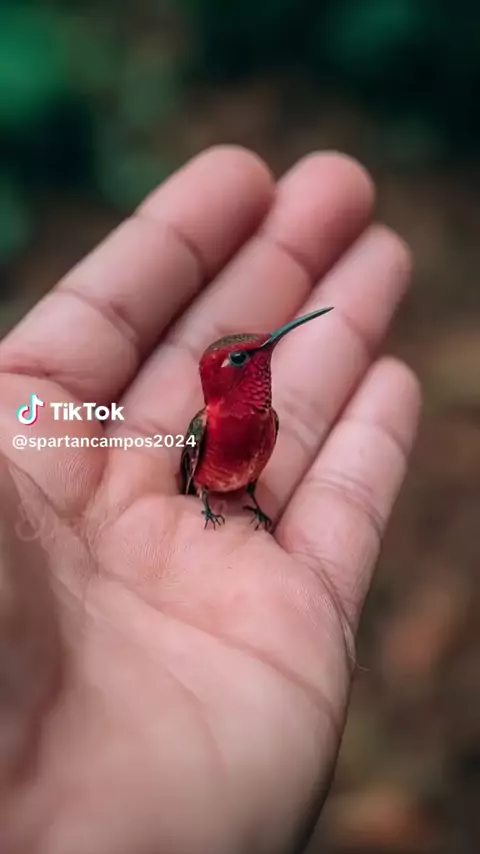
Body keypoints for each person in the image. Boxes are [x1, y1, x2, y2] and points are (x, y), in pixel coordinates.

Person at [0, 147, 420, 854]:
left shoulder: (270, 422)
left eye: (260, 351)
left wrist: (247, 494)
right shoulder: (203, 428)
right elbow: (193, 466)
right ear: (226, 377)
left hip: (241, 489)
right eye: (246, 356)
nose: (264, 353)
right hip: (209, 488)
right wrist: (201, 496)